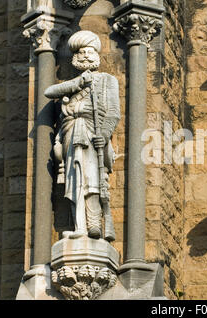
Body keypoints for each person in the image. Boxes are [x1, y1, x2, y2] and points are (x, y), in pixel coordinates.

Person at [45, 30, 120, 241]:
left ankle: (94, 224)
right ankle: (79, 225)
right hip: (71, 133)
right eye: (82, 53)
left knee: (93, 179)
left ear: (96, 56)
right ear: (76, 58)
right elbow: (49, 92)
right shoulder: (73, 85)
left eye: (89, 52)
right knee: (74, 179)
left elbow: (113, 112)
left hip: (92, 135)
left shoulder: (107, 80)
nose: (86, 56)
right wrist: (78, 83)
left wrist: (104, 136)